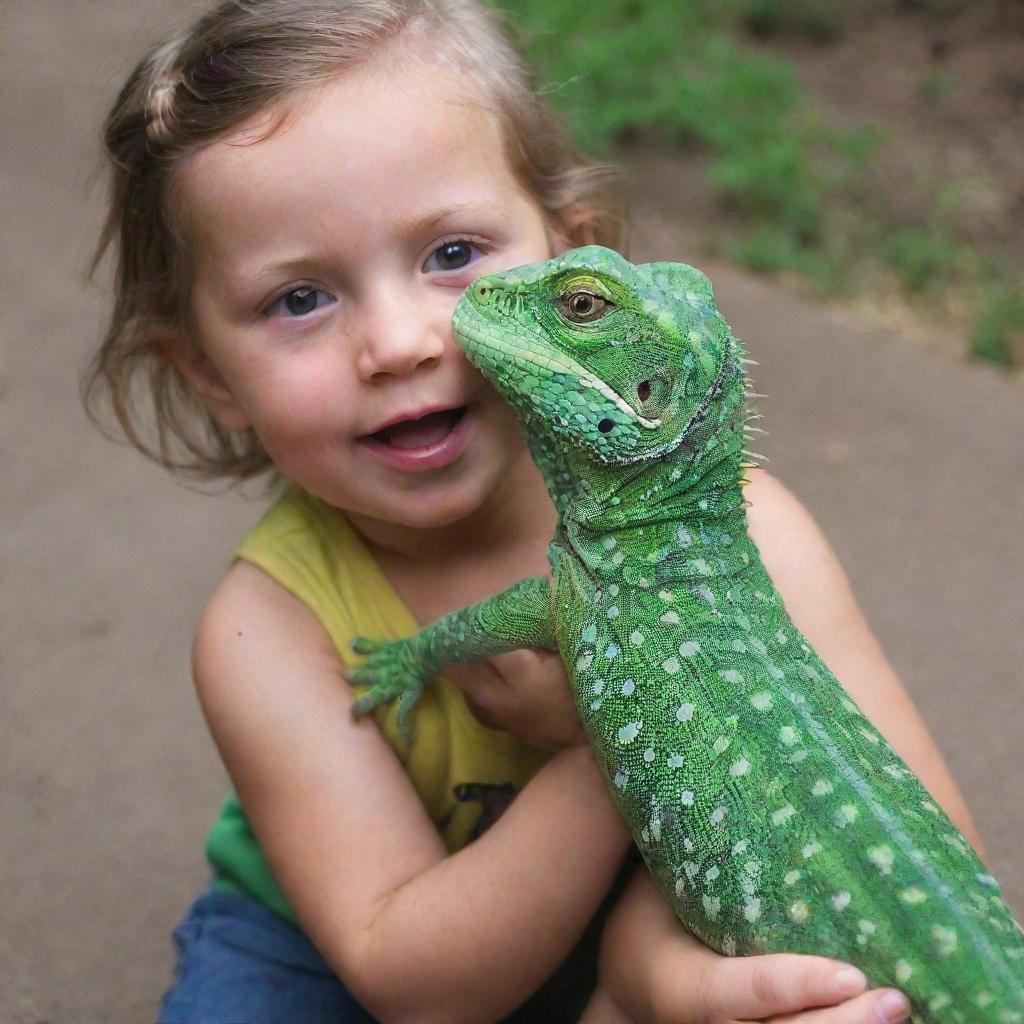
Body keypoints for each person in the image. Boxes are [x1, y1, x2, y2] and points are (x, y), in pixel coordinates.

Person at [85, 2, 986, 1021]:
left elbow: (919, 861)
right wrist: (617, 738)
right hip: (344, 949)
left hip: (623, 912)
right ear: (206, 370)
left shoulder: (750, 534)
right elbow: (416, 983)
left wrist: (672, 983)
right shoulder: (268, 630)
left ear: (569, 252)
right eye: (300, 300)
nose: (401, 341)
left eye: (454, 253)